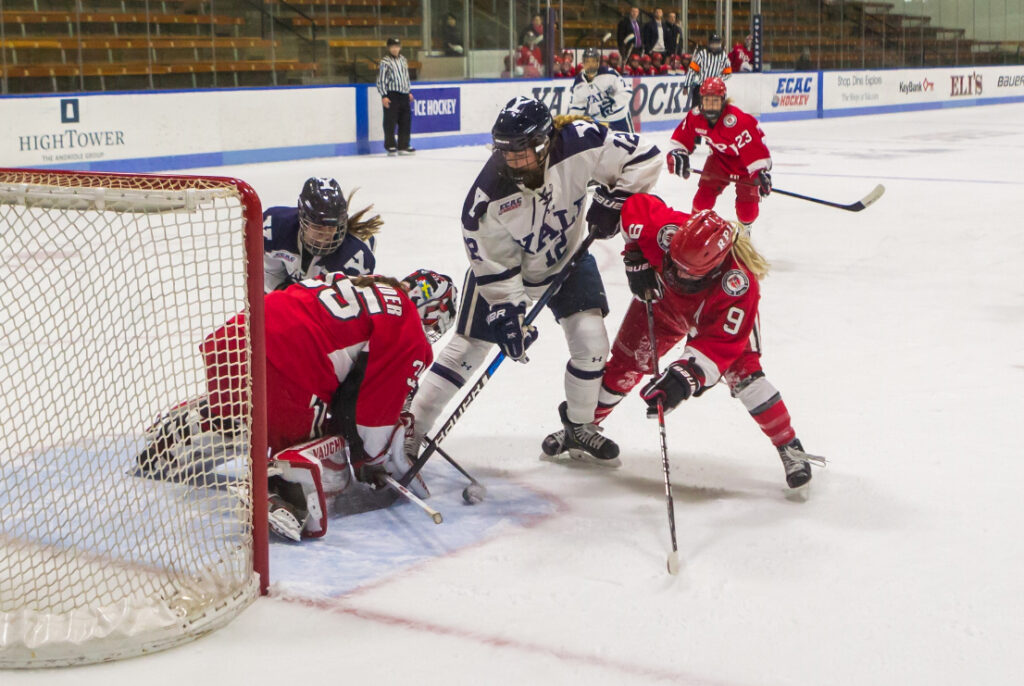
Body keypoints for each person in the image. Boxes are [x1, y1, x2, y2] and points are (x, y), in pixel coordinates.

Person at [408, 96, 662, 465]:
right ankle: (408, 436)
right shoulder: (485, 200)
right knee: (467, 350)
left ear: (545, 141)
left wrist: (616, 200)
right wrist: (508, 314)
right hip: (508, 276)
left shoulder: (579, 141)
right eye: (506, 152)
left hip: (568, 261)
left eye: (522, 151)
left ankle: (579, 427)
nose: (513, 160)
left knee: (592, 343)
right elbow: (495, 268)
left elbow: (645, 156)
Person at [137, 269, 458, 541]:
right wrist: (370, 462)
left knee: (262, 417)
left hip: (232, 341)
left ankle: (204, 420)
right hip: (281, 370)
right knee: (332, 469)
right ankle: (277, 490)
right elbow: (370, 420)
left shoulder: (366, 283)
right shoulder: (409, 330)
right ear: (433, 314)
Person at [580, 193, 826, 488]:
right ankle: (583, 427)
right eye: (676, 263)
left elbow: (720, 345)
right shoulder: (666, 230)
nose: (678, 273)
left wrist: (684, 378)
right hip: (663, 305)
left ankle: (790, 447)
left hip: (714, 320)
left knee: (747, 377)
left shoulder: (738, 286)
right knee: (627, 364)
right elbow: (636, 206)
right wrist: (635, 256)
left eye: (689, 271)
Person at [666, 77, 772, 230]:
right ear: (701, 100)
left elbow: (753, 148)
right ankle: (693, 232)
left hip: (745, 163)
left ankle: (745, 233)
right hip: (719, 159)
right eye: (707, 100)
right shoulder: (696, 116)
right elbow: (681, 138)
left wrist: (760, 171)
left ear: (723, 101)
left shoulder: (736, 121)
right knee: (701, 202)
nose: (710, 106)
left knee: (747, 213)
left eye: (715, 101)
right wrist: (676, 152)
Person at [263, 177, 381, 292]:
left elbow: (351, 306)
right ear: (302, 219)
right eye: (318, 227)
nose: (325, 234)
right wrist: (284, 294)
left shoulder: (355, 257)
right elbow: (269, 272)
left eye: (331, 226)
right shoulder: (274, 227)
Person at [568, 47, 635, 133]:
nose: (590, 65)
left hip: (620, 118)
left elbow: (627, 91)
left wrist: (614, 101)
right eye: (587, 61)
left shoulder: (610, 73)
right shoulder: (579, 83)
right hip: (600, 123)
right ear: (583, 63)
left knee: (630, 145)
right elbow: (577, 106)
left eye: (593, 61)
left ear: (598, 62)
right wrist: (571, 122)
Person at [377, 37, 415, 155]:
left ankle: (403, 145)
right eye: (393, 47)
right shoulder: (385, 61)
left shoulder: (403, 59)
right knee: (390, 121)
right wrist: (384, 95)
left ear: (400, 47)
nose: (395, 49)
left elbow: (406, 76)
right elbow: (381, 80)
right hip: (392, 95)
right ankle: (390, 145)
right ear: (389, 48)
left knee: (405, 120)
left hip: (404, 94)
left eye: (397, 46)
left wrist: (408, 91)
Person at [686, 32, 732, 109]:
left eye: (717, 44)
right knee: (696, 110)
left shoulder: (723, 56)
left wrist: (718, 80)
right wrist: (686, 84)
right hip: (701, 87)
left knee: (717, 109)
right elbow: (692, 70)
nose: (715, 46)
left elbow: (728, 73)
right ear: (709, 44)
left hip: (716, 88)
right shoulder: (702, 54)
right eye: (713, 44)